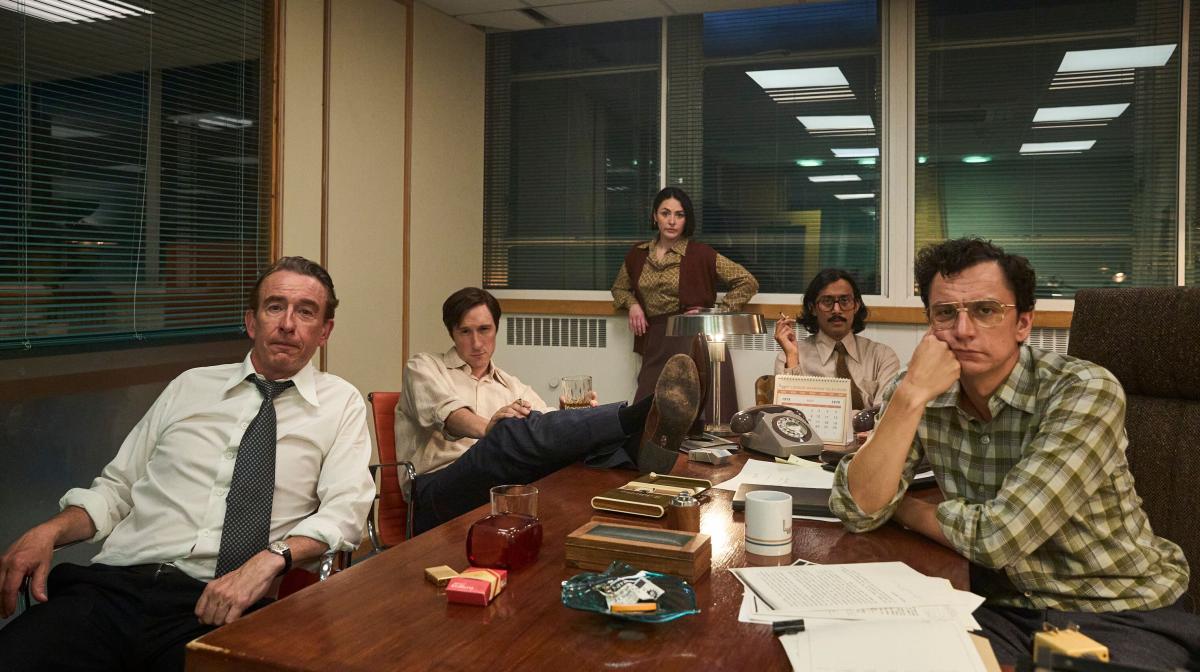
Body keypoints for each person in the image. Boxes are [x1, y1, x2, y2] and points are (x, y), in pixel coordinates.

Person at [828, 238, 1199, 668]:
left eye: (985, 310)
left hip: (1115, 608)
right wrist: (909, 397)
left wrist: (902, 508)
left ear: (1023, 323)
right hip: (999, 605)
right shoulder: (919, 388)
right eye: (945, 313)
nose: (963, 330)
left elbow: (999, 538)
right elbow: (857, 510)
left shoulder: (1082, 389)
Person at [0, 257, 374, 671]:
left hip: (220, 603)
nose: (287, 324)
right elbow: (117, 490)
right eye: (274, 307)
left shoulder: (340, 404)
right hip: (113, 589)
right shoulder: (190, 385)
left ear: (324, 331)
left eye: (305, 312)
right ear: (251, 322)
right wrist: (49, 531)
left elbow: (345, 511)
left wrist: (269, 561)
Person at [397, 287, 702, 535]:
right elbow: (450, 415)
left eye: (484, 330)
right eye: (465, 331)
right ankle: (638, 414)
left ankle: (638, 450)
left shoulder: (510, 384)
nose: (476, 342)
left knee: (555, 440)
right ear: (452, 333)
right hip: (436, 492)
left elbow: (542, 428)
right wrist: (490, 428)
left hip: (498, 486)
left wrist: (570, 421)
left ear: (496, 329)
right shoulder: (425, 366)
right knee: (508, 432)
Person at [611, 187, 758, 423]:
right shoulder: (637, 255)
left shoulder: (701, 253)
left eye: (679, 215)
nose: (672, 221)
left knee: (696, 414)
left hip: (693, 338)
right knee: (647, 411)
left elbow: (747, 282)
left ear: (686, 220)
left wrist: (716, 312)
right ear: (654, 216)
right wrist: (633, 305)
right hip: (656, 340)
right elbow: (618, 288)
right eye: (665, 213)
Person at [773, 268, 900, 410]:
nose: (837, 310)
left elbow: (885, 415)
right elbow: (789, 415)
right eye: (827, 301)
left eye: (845, 301)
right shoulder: (788, 357)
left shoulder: (882, 357)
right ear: (812, 308)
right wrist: (792, 357)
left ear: (856, 306)